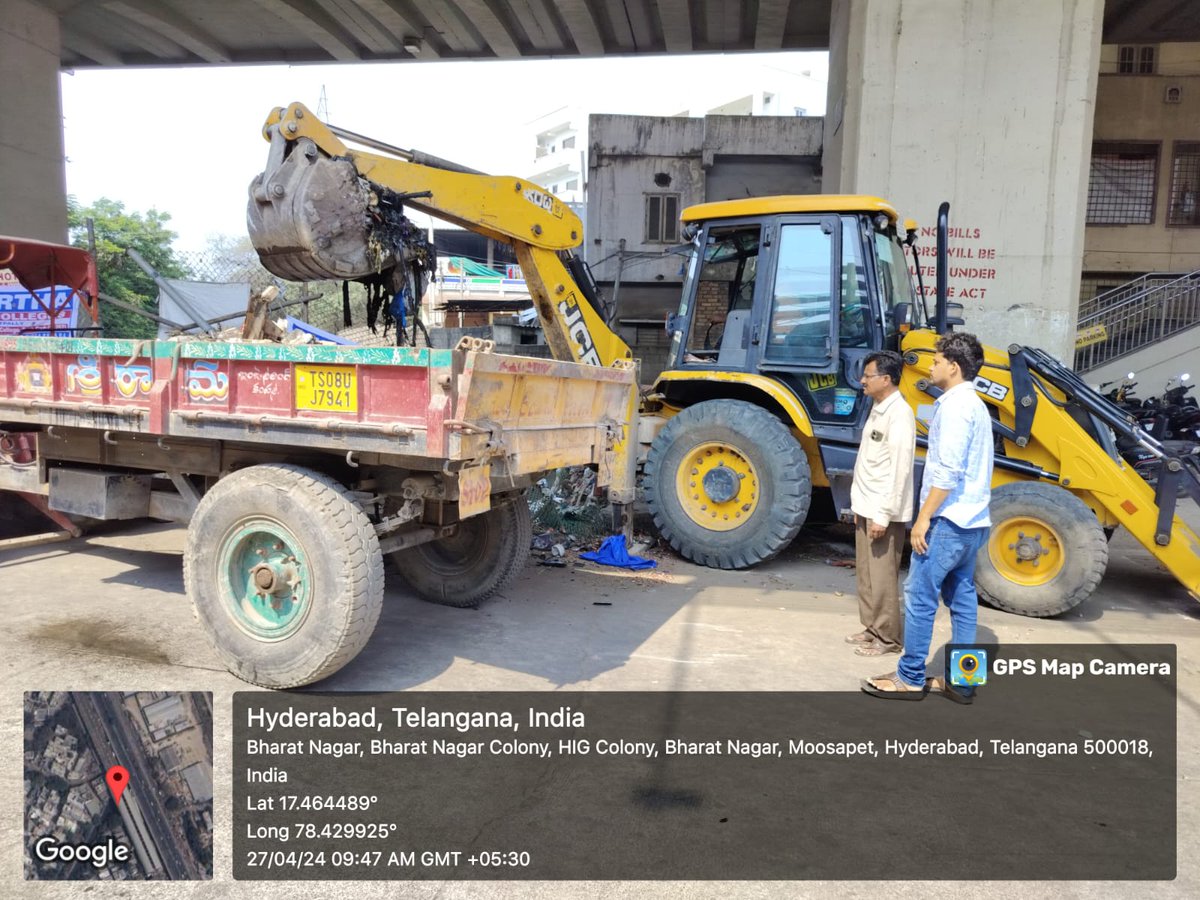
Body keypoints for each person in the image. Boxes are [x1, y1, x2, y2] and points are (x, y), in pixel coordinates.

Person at [862, 332, 994, 701]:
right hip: (975, 522)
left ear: (953, 367)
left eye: (936, 362)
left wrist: (923, 520)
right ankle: (964, 681)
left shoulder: (953, 407)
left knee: (920, 597)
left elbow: (947, 473)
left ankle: (910, 676)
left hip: (948, 522)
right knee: (964, 602)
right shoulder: (976, 405)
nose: (931, 367)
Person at [845, 351, 915, 657]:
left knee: (882, 576)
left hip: (881, 511)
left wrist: (883, 516)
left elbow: (900, 469)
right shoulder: (878, 408)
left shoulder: (900, 414)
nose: (862, 380)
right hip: (866, 505)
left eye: (868, 375)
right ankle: (871, 628)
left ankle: (888, 639)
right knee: (866, 573)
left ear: (886, 379)